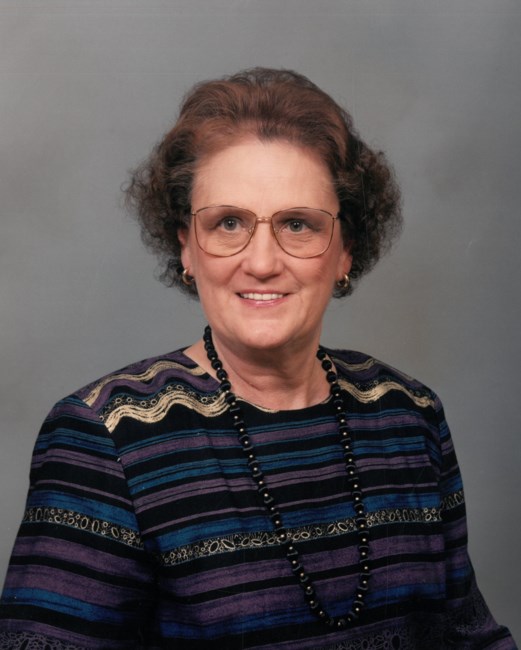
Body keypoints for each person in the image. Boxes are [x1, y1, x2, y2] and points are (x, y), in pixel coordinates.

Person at [0, 68, 516, 650]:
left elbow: (469, 638)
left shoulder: (409, 416)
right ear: (186, 247)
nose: (263, 262)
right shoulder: (106, 436)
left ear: (346, 250)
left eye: (298, 224)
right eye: (229, 223)